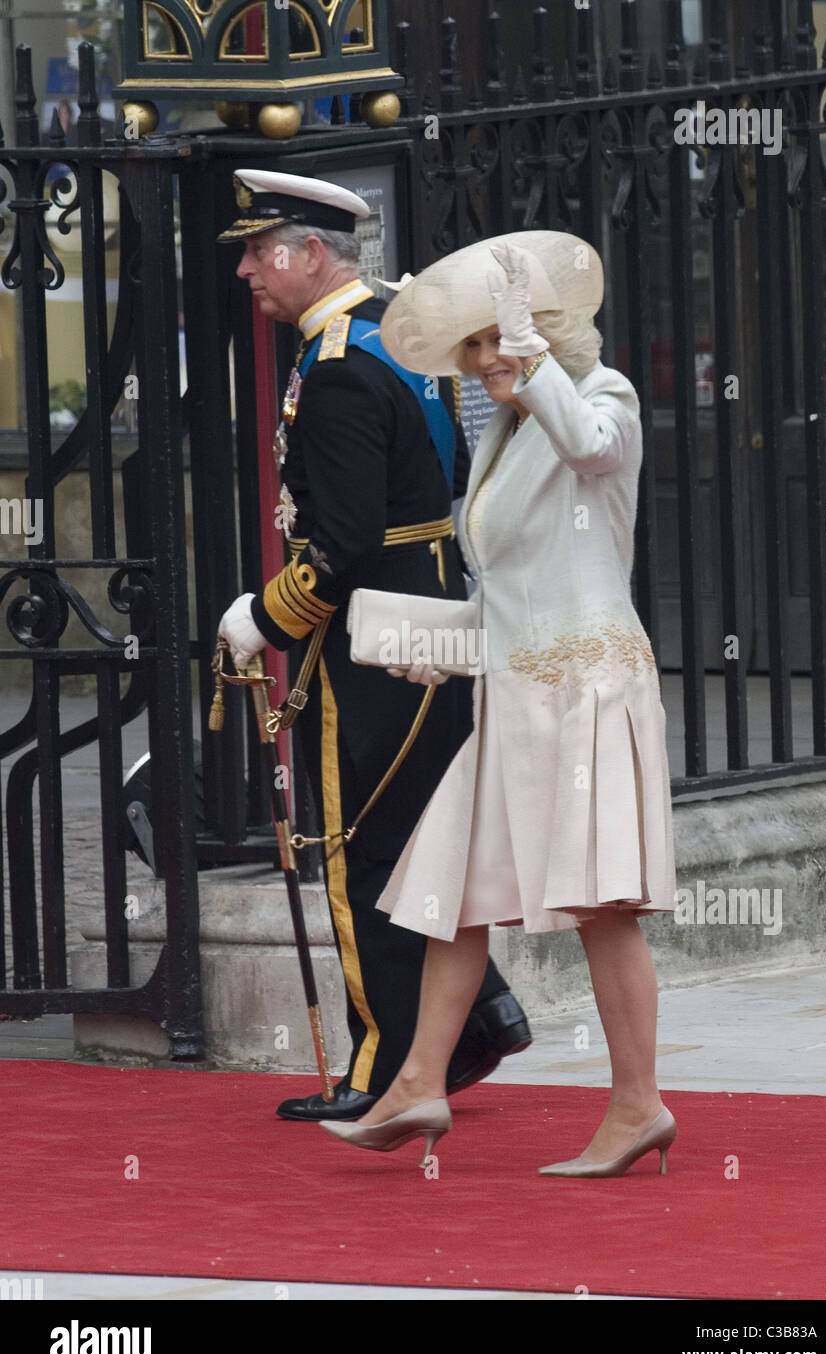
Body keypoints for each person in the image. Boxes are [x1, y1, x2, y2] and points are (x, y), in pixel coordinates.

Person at [317, 231, 678, 1175]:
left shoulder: (599, 400)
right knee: (452, 896)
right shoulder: (506, 430)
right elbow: (519, 584)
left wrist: (535, 370)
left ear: (543, 332)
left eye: (499, 342)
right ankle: (418, 1082)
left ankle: (638, 1107)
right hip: (515, 690)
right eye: (473, 350)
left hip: (588, 688)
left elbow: (595, 454)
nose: (485, 364)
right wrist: (441, 647)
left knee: (603, 906)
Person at [215, 171, 531, 1121]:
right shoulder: (395, 329)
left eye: (257, 251)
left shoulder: (345, 365)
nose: (244, 271)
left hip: (381, 635)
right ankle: (475, 1019)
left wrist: (265, 618)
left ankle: (387, 1069)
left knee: (366, 848)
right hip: (427, 613)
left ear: (311, 254)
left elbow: (345, 541)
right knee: (421, 842)